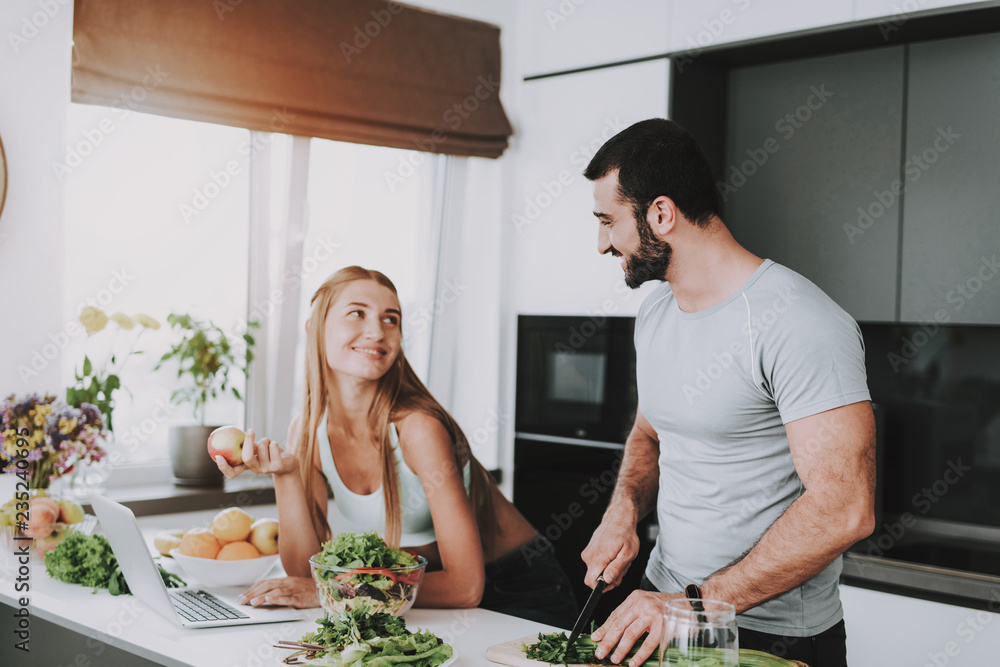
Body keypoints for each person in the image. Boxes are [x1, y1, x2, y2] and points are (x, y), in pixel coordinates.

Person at [578, 119, 876, 667]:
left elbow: (845, 510)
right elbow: (651, 433)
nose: (601, 243)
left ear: (661, 214)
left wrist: (691, 606)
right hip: (659, 611)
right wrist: (623, 509)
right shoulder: (657, 312)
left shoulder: (798, 321)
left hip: (767, 633)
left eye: (608, 221)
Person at [216, 265, 579, 628]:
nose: (377, 331)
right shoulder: (309, 430)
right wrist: (287, 474)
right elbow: (304, 572)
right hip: (414, 593)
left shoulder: (418, 429)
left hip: (520, 589)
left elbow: (466, 587)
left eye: (391, 319)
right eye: (357, 313)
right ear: (315, 328)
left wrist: (344, 594)